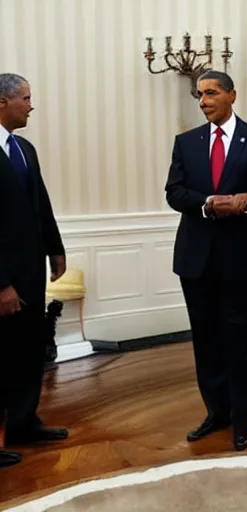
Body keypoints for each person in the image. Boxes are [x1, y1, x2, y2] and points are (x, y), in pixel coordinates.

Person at [165, 70, 247, 451]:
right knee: (207, 341)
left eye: (211, 93)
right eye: (200, 94)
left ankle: (242, 418)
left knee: (242, 341)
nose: (203, 101)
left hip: (241, 258)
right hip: (195, 259)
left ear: (232, 95)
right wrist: (205, 204)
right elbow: (174, 192)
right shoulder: (186, 142)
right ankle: (216, 413)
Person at [0, 73, 68, 467]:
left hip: (31, 269)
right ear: (3, 103)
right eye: (25, 98)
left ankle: (25, 422)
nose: (31, 105)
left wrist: (55, 249)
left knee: (27, 350)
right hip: (3, 276)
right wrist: (2, 284)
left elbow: (39, 202)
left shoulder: (25, 148)